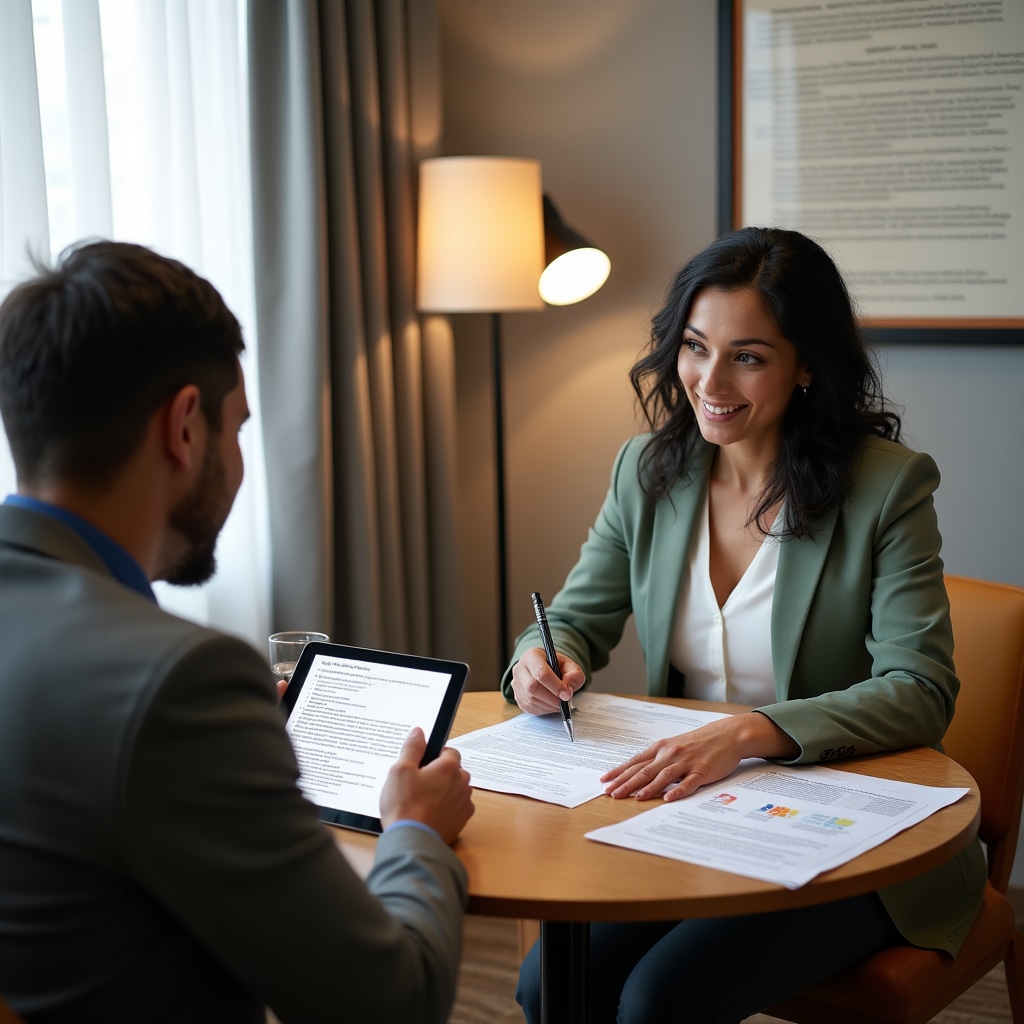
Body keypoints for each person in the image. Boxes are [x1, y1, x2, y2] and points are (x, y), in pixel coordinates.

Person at [502, 226, 986, 1024]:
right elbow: (574, 619)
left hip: (852, 826)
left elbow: (920, 689)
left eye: (749, 356)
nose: (710, 380)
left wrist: (748, 732)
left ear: (806, 366)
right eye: (695, 347)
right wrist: (538, 661)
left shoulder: (887, 488)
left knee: (658, 1001)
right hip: (693, 813)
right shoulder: (646, 471)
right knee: (546, 988)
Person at [0, 240, 474, 1024]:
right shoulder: (178, 682)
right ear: (186, 428)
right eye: (239, 427)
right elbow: (391, 1003)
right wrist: (414, 833)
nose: (240, 459)